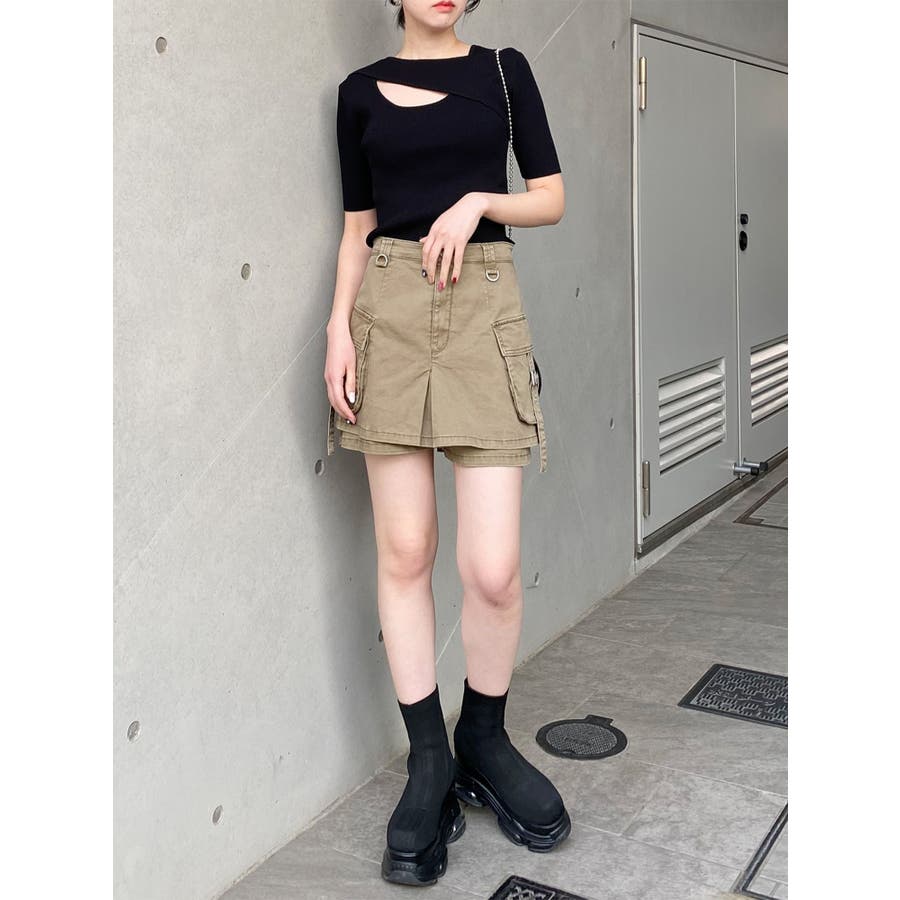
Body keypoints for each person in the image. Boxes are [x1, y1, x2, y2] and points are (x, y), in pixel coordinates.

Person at [324, 0, 569, 886]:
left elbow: (551, 197)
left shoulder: (502, 71)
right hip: (386, 311)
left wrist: (477, 202)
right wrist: (338, 330)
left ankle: (484, 740)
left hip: (483, 309)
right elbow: (358, 229)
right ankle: (429, 759)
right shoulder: (357, 93)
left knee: (491, 569)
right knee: (405, 550)